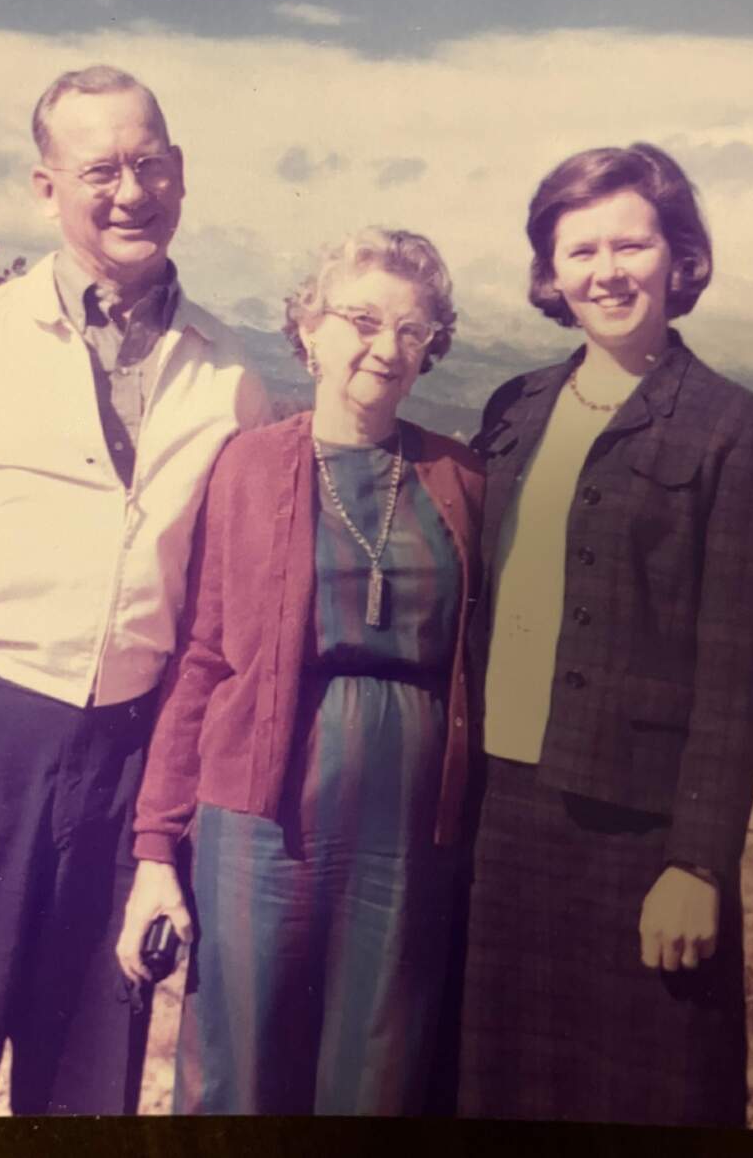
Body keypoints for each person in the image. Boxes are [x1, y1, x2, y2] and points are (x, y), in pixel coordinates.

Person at [0, 64, 269, 1117]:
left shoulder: (231, 376)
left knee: (91, 1064)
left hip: (122, 757)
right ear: (46, 188)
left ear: (180, 173)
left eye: (150, 164)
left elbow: (218, 589)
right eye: (101, 170)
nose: (131, 191)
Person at [457, 143, 753, 1126]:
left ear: (677, 257)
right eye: (579, 250)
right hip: (502, 815)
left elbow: (736, 678)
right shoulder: (512, 409)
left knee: (643, 1103)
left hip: (640, 836)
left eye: (630, 244)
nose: (605, 270)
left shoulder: (741, 435)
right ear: (549, 271)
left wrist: (697, 863)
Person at [115, 227, 484, 1114]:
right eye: (361, 318)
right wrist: (157, 846)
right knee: (239, 1065)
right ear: (310, 329)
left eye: (413, 328)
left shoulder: (459, 477)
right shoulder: (248, 465)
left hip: (410, 820)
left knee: (380, 1072)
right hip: (260, 816)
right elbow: (203, 656)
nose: (385, 346)